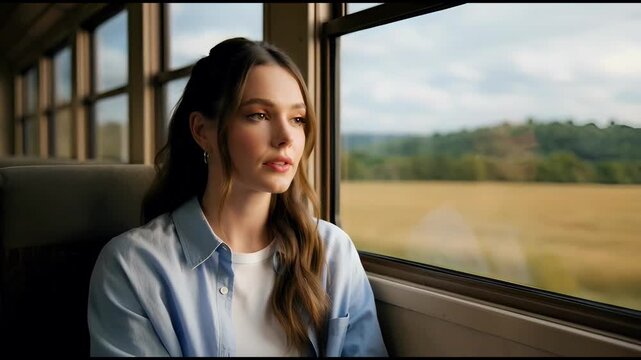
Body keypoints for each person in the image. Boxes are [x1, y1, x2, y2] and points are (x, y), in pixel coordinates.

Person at [87, 37, 388, 357]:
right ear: (203, 131)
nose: (286, 137)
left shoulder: (333, 253)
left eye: (297, 119)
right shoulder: (134, 267)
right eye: (259, 115)